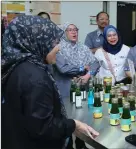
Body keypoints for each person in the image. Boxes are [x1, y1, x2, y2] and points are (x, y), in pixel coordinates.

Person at [1, 15, 98, 149]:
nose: (58, 48)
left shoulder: (16, 67)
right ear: (37, 42)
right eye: (53, 43)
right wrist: (74, 125)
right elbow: (43, 128)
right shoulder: (35, 78)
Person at [51, 22, 99, 98]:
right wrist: (82, 68)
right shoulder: (58, 48)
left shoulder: (83, 48)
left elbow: (95, 63)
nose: (74, 32)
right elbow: (63, 68)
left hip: (83, 86)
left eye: (75, 30)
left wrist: (88, 75)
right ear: (63, 32)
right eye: (70, 30)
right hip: (66, 88)